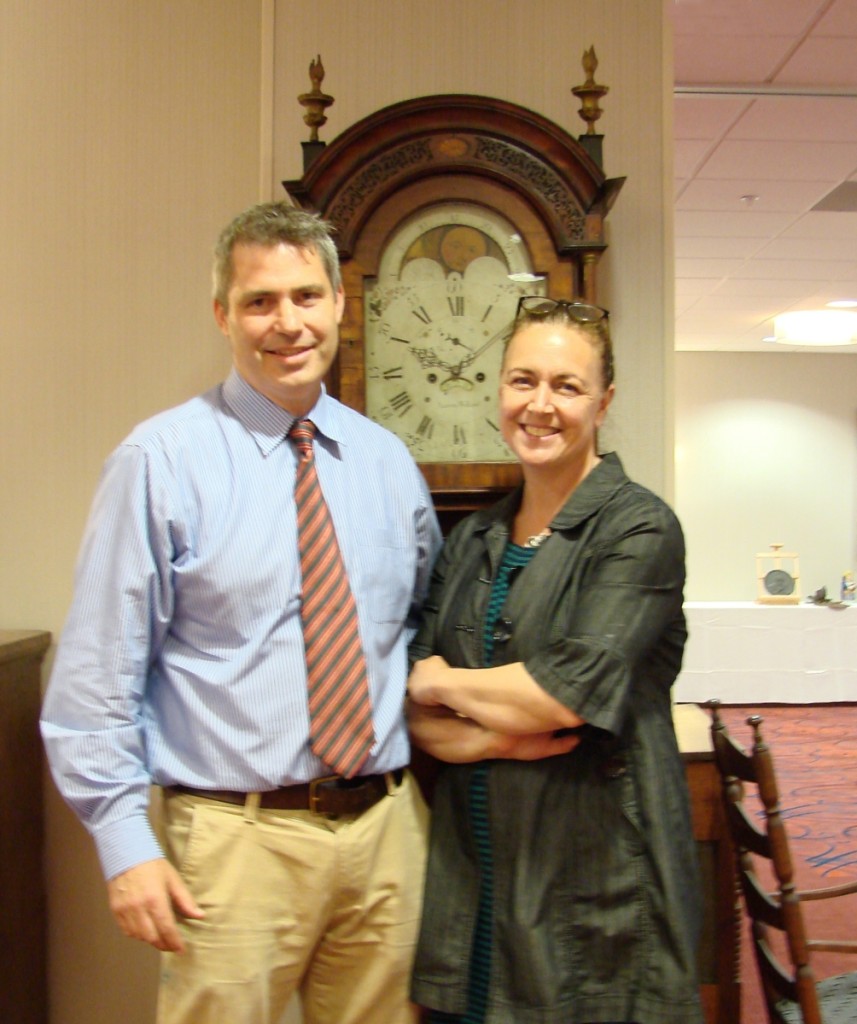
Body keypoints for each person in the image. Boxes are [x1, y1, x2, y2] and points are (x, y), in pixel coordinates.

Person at [41, 200, 442, 1024]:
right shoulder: (159, 462)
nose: (286, 322)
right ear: (222, 315)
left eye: (305, 296)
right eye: (260, 301)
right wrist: (124, 846)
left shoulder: (387, 463)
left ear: (339, 305)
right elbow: (96, 677)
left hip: (387, 835)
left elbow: (415, 632)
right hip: (235, 842)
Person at [406, 296, 703, 1024]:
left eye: (566, 387)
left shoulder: (639, 528)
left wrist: (444, 679)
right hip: (471, 883)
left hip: (595, 889)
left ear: (603, 401)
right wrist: (497, 733)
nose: (539, 405)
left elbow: (564, 693)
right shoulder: (474, 538)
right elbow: (413, 713)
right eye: (521, 380)